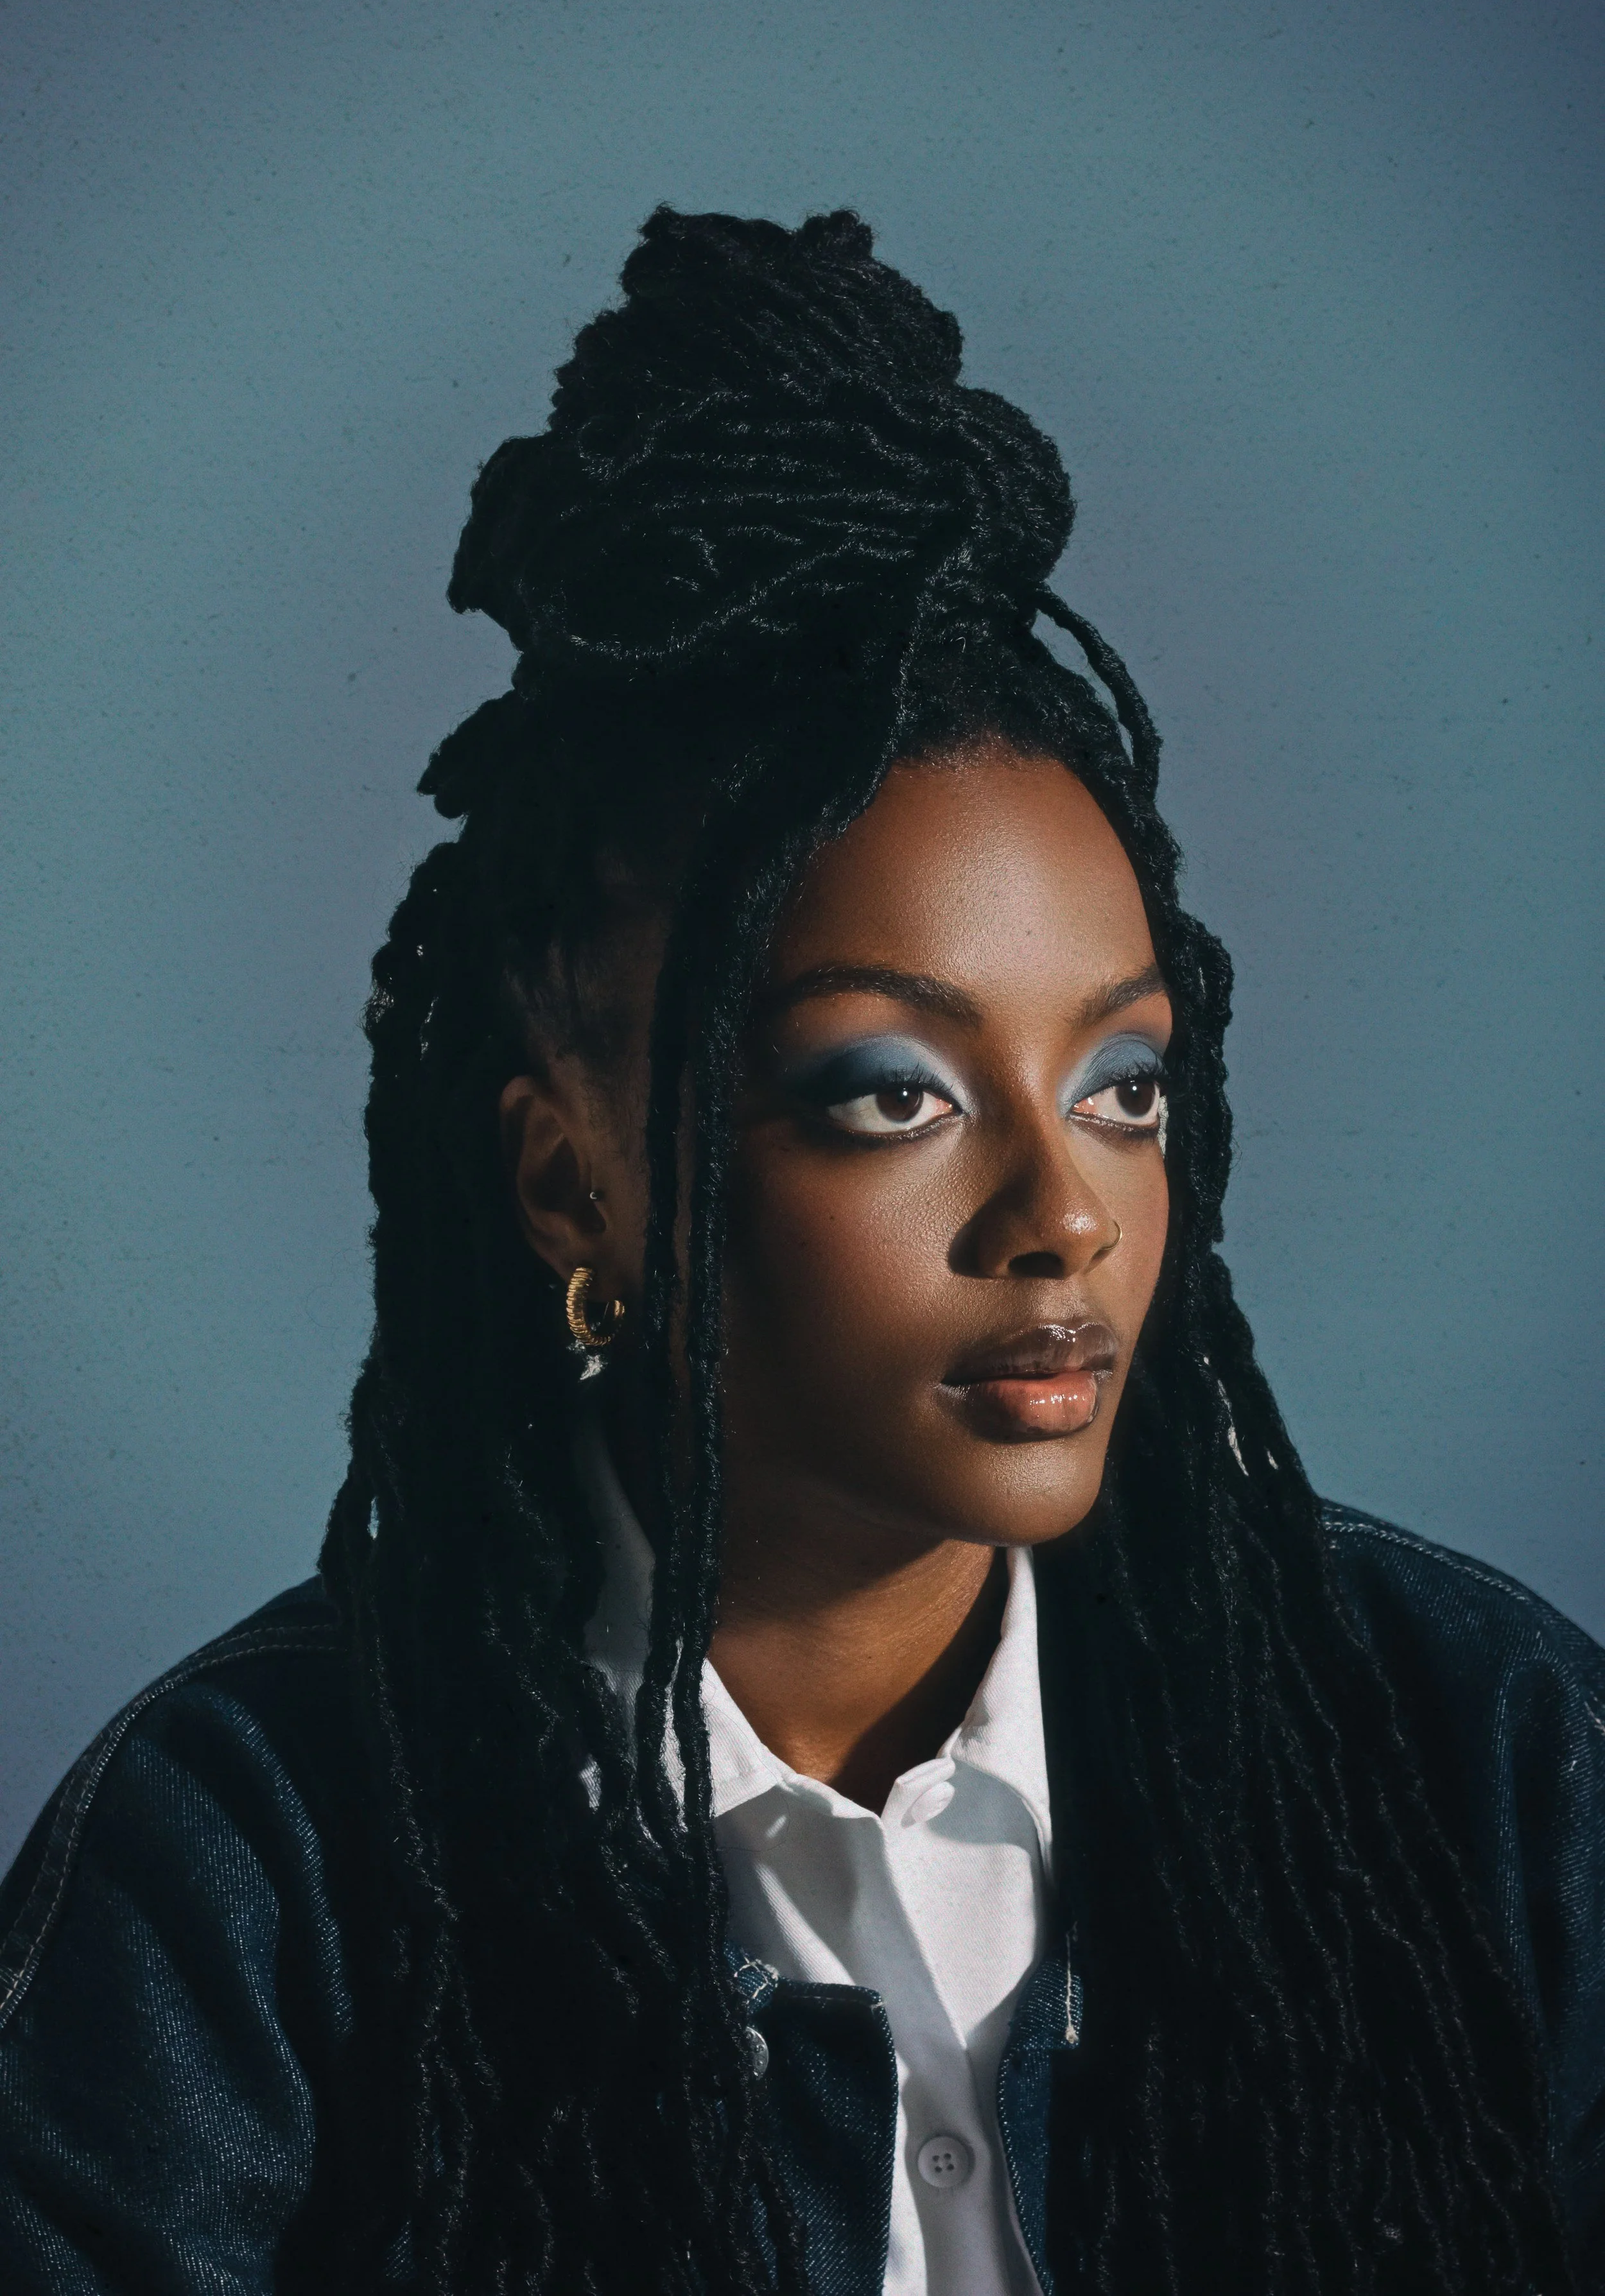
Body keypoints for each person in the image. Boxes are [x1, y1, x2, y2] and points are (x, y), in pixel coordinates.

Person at [0, 207, 1599, 2296]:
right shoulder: (257, 1858)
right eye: (890, 1092)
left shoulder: (1470, 1757)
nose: (1064, 1212)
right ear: (572, 1186)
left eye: (1122, 1079)